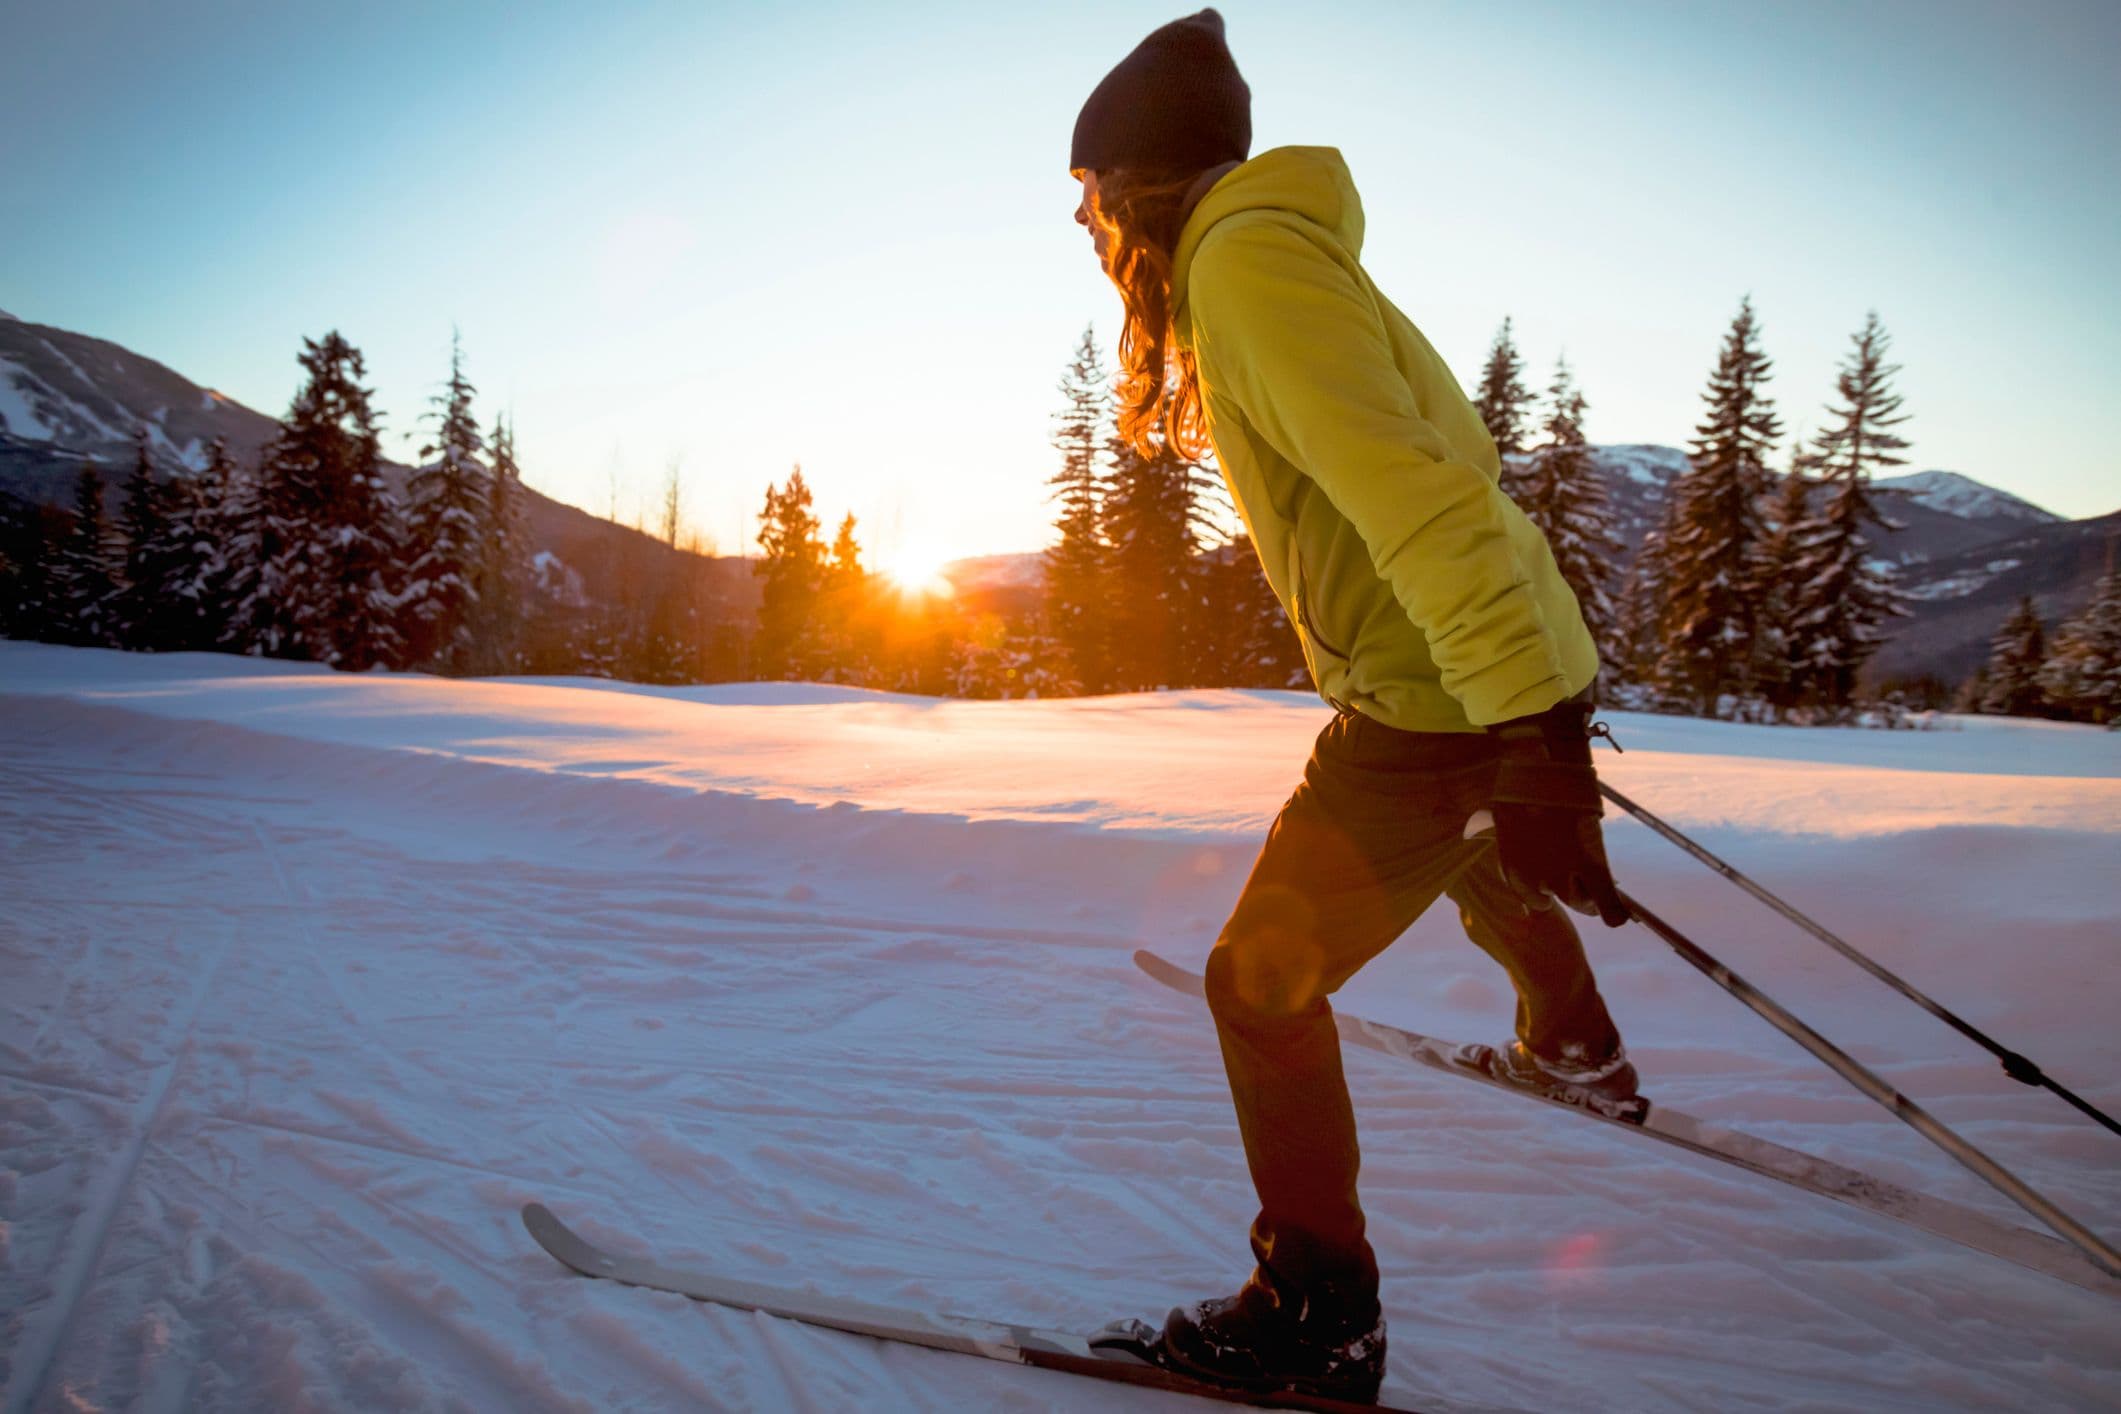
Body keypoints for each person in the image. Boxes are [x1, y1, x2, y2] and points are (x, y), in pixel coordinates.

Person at [1069, 9, 1637, 1404]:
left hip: (1437, 695)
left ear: (1142, 183)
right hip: (1469, 679)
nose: (1081, 226)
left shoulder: (1247, 268)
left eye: (1086, 195)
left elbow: (1417, 500)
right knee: (1468, 845)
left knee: (1254, 983)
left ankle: (1313, 1310)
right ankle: (1575, 1044)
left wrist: (1530, 740)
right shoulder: (1271, 254)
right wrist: (1530, 725)